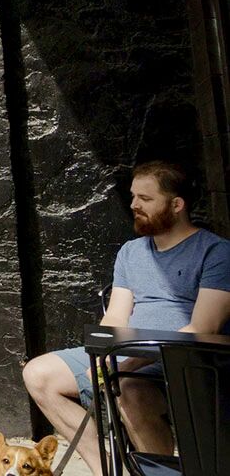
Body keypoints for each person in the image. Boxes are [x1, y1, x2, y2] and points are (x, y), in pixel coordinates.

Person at [21, 160, 230, 475]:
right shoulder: (131, 253)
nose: (134, 205)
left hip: (186, 363)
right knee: (38, 374)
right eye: (133, 196)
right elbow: (116, 317)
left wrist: (129, 363)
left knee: (129, 387)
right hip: (125, 354)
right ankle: (105, 470)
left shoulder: (216, 253)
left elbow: (203, 328)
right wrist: (101, 356)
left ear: (177, 205)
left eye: (145, 198)